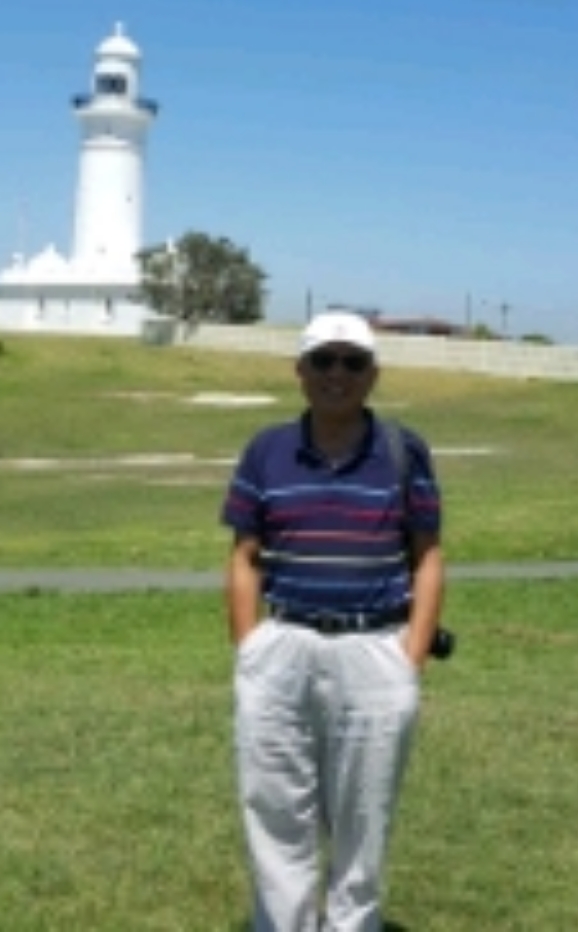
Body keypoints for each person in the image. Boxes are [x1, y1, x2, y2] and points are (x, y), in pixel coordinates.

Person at [221, 310, 445, 932]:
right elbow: (244, 556)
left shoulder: (403, 450)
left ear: (373, 373)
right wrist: (250, 647)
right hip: (282, 647)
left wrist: (411, 656)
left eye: (353, 361)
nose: (336, 374)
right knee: (275, 809)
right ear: (300, 370)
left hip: (374, 648)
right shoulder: (266, 450)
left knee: (363, 817)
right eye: (323, 360)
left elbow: (428, 556)